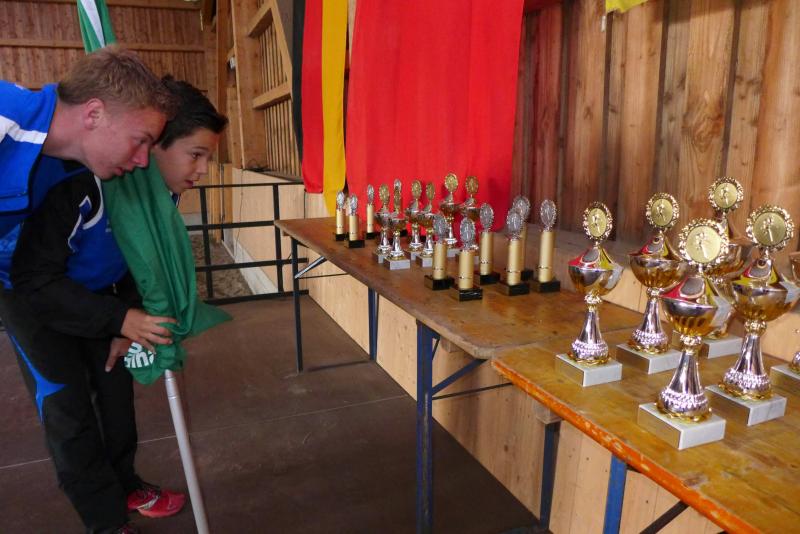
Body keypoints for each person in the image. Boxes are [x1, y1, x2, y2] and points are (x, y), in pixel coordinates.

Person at [6, 77, 226, 533]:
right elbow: (35, 278)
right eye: (196, 155)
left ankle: (125, 483)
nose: (203, 170)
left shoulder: (164, 194)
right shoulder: (82, 184)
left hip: (103, 300)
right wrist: (122, 318)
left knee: (115, 402)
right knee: (69, 412)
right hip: (36, 302)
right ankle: (105, 521)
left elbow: (137, 262)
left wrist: (125, 315)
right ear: (155, 146)